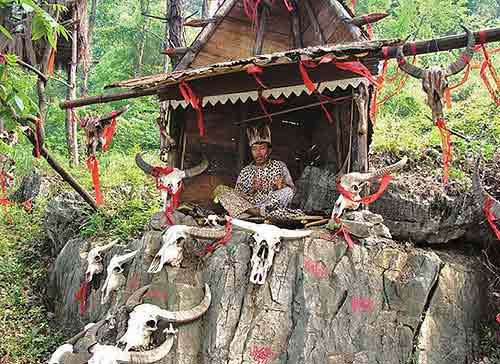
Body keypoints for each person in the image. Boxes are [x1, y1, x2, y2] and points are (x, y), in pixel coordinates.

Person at [213, 124, 295, 217]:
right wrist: (252, 189)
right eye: (254, 149)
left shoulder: (280, 166)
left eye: (262, 148)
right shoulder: (246, 171)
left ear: (269, 150)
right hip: (249, 206)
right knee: (221, 190)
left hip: (269, 205)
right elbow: (238, 194)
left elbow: (292, 191)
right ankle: (255, 212)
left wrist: (281, 185)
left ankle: (257, 213)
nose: (258, 153)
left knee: (288, 191)